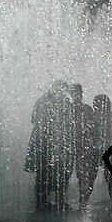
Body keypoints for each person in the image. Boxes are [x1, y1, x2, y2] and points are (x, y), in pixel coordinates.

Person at [25, 81, 74, 213]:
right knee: (43, 171)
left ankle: (49, 201)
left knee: (54, 170)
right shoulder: (45, 102)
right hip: (44, 140)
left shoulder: (61, 102)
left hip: (50, 140)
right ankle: (43, 201)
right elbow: (34, 119)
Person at [71, 84, 99, 209]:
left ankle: (84, 201)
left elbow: (94, 128)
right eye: (74, 93)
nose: (77, 96)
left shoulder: (86, 109)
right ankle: (62, 201)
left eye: (79, 93)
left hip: (83, 146)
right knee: (66, 175)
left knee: (83, 175)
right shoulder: (67, 108)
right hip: (70, 146)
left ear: (81, 94)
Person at [93, 94, 112, 204]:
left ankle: (84, 203)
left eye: (96, 104)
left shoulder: (94, 117)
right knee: (110, 177)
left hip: (97, 149)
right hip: (109, 150)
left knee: (91, 176)